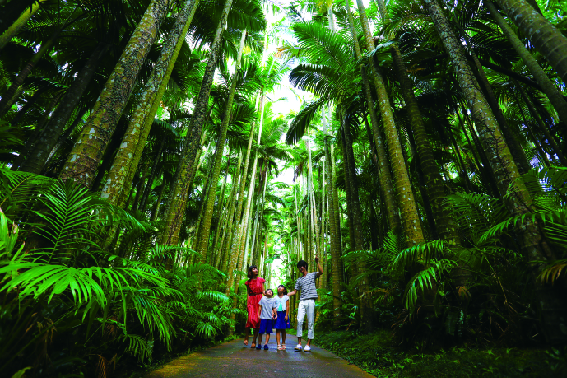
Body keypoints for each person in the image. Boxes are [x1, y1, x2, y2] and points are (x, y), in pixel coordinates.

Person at [287, 256, 323, 352]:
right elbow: (295, 292)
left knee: (310, 322)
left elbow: (321, 272)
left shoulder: (312, 275)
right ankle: (299, 344)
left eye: (302, 266)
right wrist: (285, 295)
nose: (300, 268)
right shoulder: (299, 280)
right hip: (302, 301)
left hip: (311, 300)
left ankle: (308, 344)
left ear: (305, 266)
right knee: (299, 320)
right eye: (299, 267)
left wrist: (317, 262)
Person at [243, 265, 266, 348]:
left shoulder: (261, 280)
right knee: (249, 320)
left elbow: (263, 291)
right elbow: (248, 293)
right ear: (250, 272)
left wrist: (268, 295)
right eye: (253, 269)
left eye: (256, 268)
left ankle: (254, 341)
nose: (256, 270)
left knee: (257, 321)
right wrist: (247, 304)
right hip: (251, 300)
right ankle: (246, 337)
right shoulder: (248, 282)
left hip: (259, 300)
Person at [274, 284, 290, 351]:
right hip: (277, 314)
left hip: (284, 313)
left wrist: (286, 315)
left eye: (281, 287)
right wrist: (274, 314)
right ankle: (278, 344)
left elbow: (287, 306)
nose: (280, 288)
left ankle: (283, 343)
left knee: (283, 329)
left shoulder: (286, 297)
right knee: (278, 329)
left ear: (284, 290)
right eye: (278, 287)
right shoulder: (275, 297)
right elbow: (274, 307)